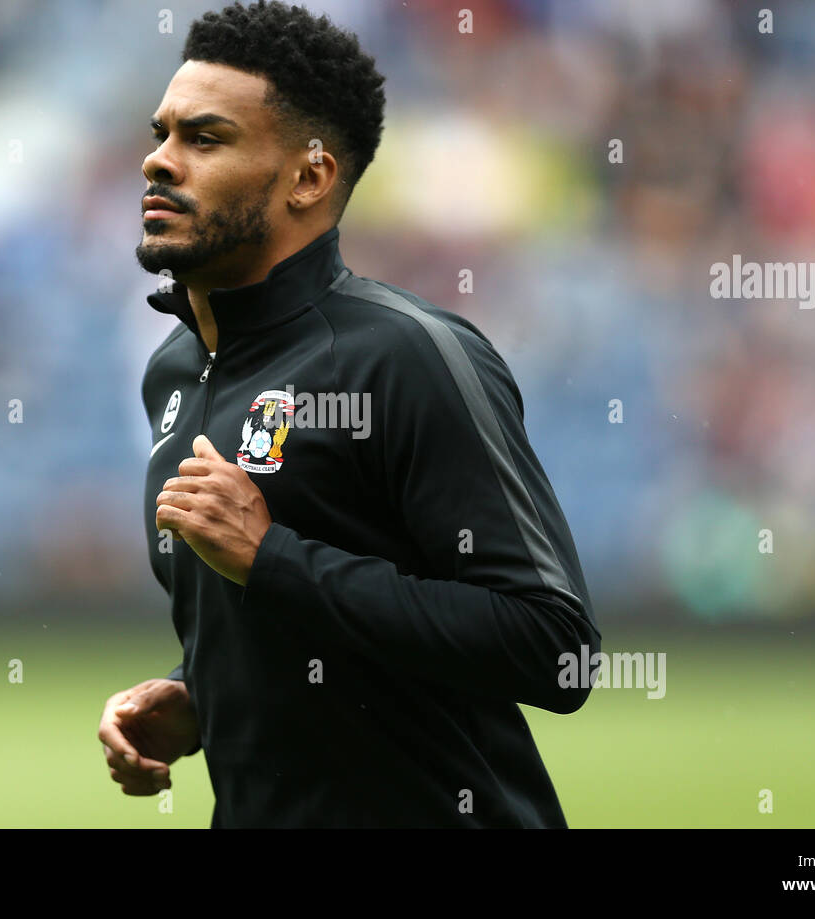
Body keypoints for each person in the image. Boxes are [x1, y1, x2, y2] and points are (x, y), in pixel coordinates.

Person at [98, 0, 601, 828]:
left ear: (310, 177)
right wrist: (202, 693)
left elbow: (557, 648)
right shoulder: (176, 372)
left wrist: (274, 556)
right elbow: (306, 631)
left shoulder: (408, 356)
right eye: (162, 133)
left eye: (206, 138)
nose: (159, 162)